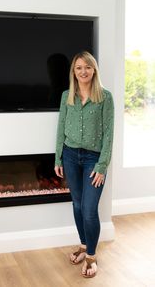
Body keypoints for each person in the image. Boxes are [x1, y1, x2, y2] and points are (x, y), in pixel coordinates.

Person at [54, 51, 114, 278]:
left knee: (89, 210)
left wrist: (102, 165)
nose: (83, 71)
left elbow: (109, 134)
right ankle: (82, 244)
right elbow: (60, 128)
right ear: (73, 72)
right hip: (69, 156)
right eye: (78, 68)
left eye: (87, 67)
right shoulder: (66, 96)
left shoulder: (105, 97)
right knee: (77, 205)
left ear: (94, 70)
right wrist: (58, 157)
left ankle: (91, 256)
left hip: (93, 159)